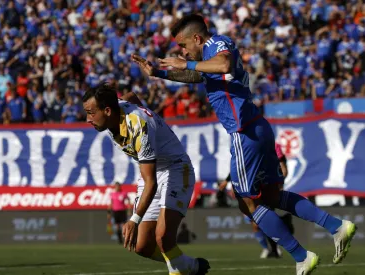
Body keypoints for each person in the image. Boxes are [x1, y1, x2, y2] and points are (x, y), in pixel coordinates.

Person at [131, 13, 356, 275]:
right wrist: (158, 72)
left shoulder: (217, 45)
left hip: (244, 133)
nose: (183, 51)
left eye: (183, 45)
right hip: (258, 128)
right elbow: (200, 76)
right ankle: (336, 226)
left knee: (246, 202)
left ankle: (302, 256)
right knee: (270, 196)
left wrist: (186, 64)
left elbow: (224, 64)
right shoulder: (207, 61)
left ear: (197, 38)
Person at [82, 83, 210, 275]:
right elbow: (131, 95)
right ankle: (191, 267)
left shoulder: (138, 126)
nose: (87, 119)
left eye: (91, 113)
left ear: (107, 111)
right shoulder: (114, 112)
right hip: (151, 172)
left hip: (175, 169)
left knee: (163, 238)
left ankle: (179, 269)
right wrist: (149, 115)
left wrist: (134, 219)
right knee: (142, 246)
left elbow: (151, 182)